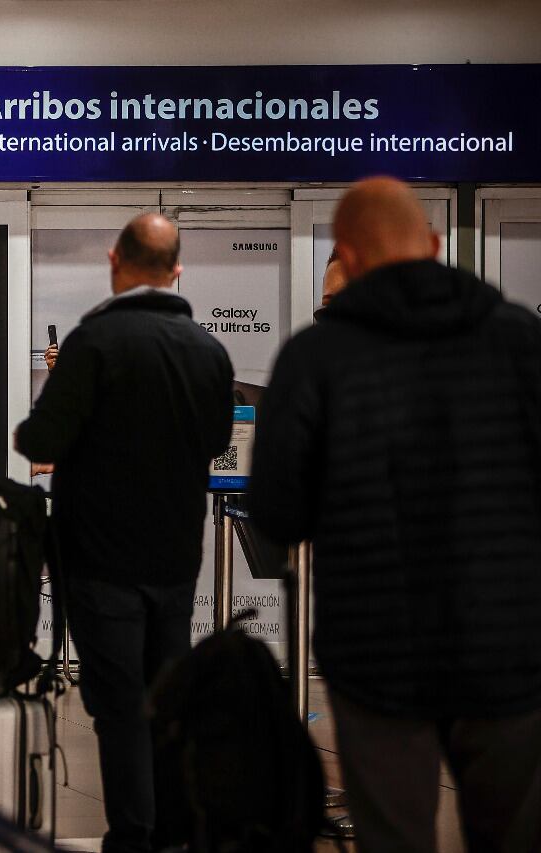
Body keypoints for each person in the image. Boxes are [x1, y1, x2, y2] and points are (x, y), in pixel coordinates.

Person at [248, 177, 541, 853]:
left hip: (375, 653)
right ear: (434, 245)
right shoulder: (520, 340)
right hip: (507, 649)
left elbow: (277, 513)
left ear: (346, 257)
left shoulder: (314, 360)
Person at [15, 214, 234, 853]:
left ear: (115, 261)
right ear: (177, 271)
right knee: (166, 696)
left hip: (100, 557)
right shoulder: (208, 350)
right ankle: (174, 831)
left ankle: (134, 836)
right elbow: (218, 440)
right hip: (175, 556)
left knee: (119, 704)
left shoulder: (94, 343)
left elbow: (41, 438)